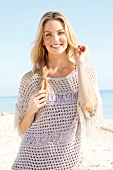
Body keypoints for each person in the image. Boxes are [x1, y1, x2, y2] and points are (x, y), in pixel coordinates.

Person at [12, 11, 103, 170]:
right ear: (42, 41)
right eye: (48, 34)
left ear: (68, 35)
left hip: (67, 163)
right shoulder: (30, 79)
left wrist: (80, 63)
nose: (55, 39)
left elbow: (88, 106)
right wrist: (30, 111)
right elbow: (23, 129)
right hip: (29, 163)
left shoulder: (87, 73)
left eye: (60, 33)